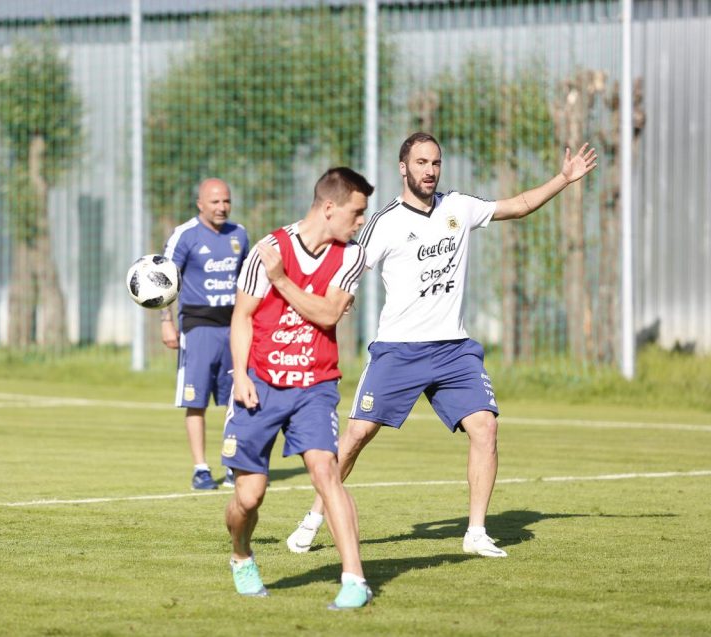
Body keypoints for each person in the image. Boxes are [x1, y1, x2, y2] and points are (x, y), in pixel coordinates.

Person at [286, 131, 598, 557]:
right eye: (421, 163)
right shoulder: (385, 222)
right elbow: (350, 263)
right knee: (357, 435)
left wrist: (563, 178)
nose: (430, 171)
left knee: (485, 427)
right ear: (403, 168)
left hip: (454, 349)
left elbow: (519, 205)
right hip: (399, 349)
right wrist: (344, 294)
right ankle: (315, 517)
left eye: (435, 163)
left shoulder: (459, 207)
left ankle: (475, 533)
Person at [222, 167, 374, 609]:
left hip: (316, 384)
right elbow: (243, 317)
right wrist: (240, 374)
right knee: (248, 498)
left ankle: (354, 581)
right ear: (330, 208)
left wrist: (282, 280)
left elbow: (327, 316)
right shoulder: (267, 250)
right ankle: (240, 554)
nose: (361, 221)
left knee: (327, 472)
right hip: (262, 384)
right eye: (357, 212)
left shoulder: (350, 257)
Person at [161, 178, 249, 490]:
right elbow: (164, 279)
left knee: (236, 399)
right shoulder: (185, 235)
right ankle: (200, 468)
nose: (222, 207)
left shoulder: (239, 234)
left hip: (233, 328)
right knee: (195, 400)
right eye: (214, 202)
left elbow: (247, 284)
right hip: (197, 326)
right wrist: (165, 320)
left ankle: (231, 464)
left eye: (226, 201)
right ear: (200, 204)